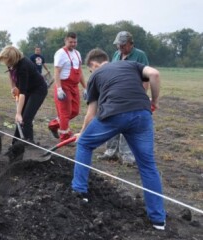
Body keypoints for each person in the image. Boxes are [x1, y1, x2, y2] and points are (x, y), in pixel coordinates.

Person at [71, 48, 166, 231]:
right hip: (141, 115)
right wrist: (154, 101)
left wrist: (82, 133)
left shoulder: (96, 75)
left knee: (84, 144)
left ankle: (79, 191)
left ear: (94, 65)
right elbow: (154, 74)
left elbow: (92, 113)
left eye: (91, 69)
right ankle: (158, 220)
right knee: (147, 165)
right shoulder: (131, 64)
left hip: (114, 114)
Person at [99, 31, 150, 165]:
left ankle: (127, 156)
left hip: (132, 96)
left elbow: (146, 78)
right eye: (118, 45)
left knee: (128, 125)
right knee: (112, 121)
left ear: (131, 44)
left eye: (123, 45)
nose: (120, 47)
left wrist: (142, 94)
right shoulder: (117, 55)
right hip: (115, 96)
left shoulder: (140, 55)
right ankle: (111, 152)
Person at [0, 46, 48, 145]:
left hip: (38, 90)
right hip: (28, 89)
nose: (7, 64)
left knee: (26, 118)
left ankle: (29, 146)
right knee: (20, 120)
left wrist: (18, 113)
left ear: (13, 58)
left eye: (8, 62)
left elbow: (22, 94)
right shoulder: (11, 63)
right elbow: (11, 74)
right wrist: (13, 87)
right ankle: (15, 144)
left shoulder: (23, 66)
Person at [48, 32, 87, 142]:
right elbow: (56, 72)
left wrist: (85, 87)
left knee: (75, 111)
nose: (73, 44)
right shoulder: (60, 53)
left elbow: (79, 72)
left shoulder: (77, 54)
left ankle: (53, 124)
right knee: (65, 113)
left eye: (75, 42)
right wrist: (59, 89)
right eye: (70, 42)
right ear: (65, 41)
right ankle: (65, 137)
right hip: (64, 86)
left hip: (74, 86)